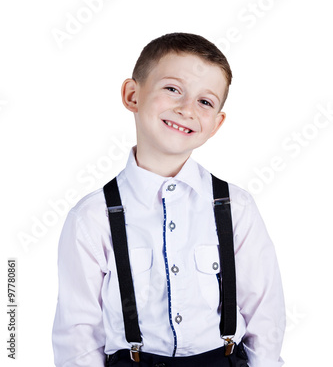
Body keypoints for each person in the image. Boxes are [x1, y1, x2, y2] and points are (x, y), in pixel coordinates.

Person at [52, 33, 285, 367]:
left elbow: (265, 313)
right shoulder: (92, 217)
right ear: (133, 95)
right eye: (173, 89)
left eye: (205, 102)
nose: (186, 109)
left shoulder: (236, 207)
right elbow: (78, 332)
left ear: (216, 124)